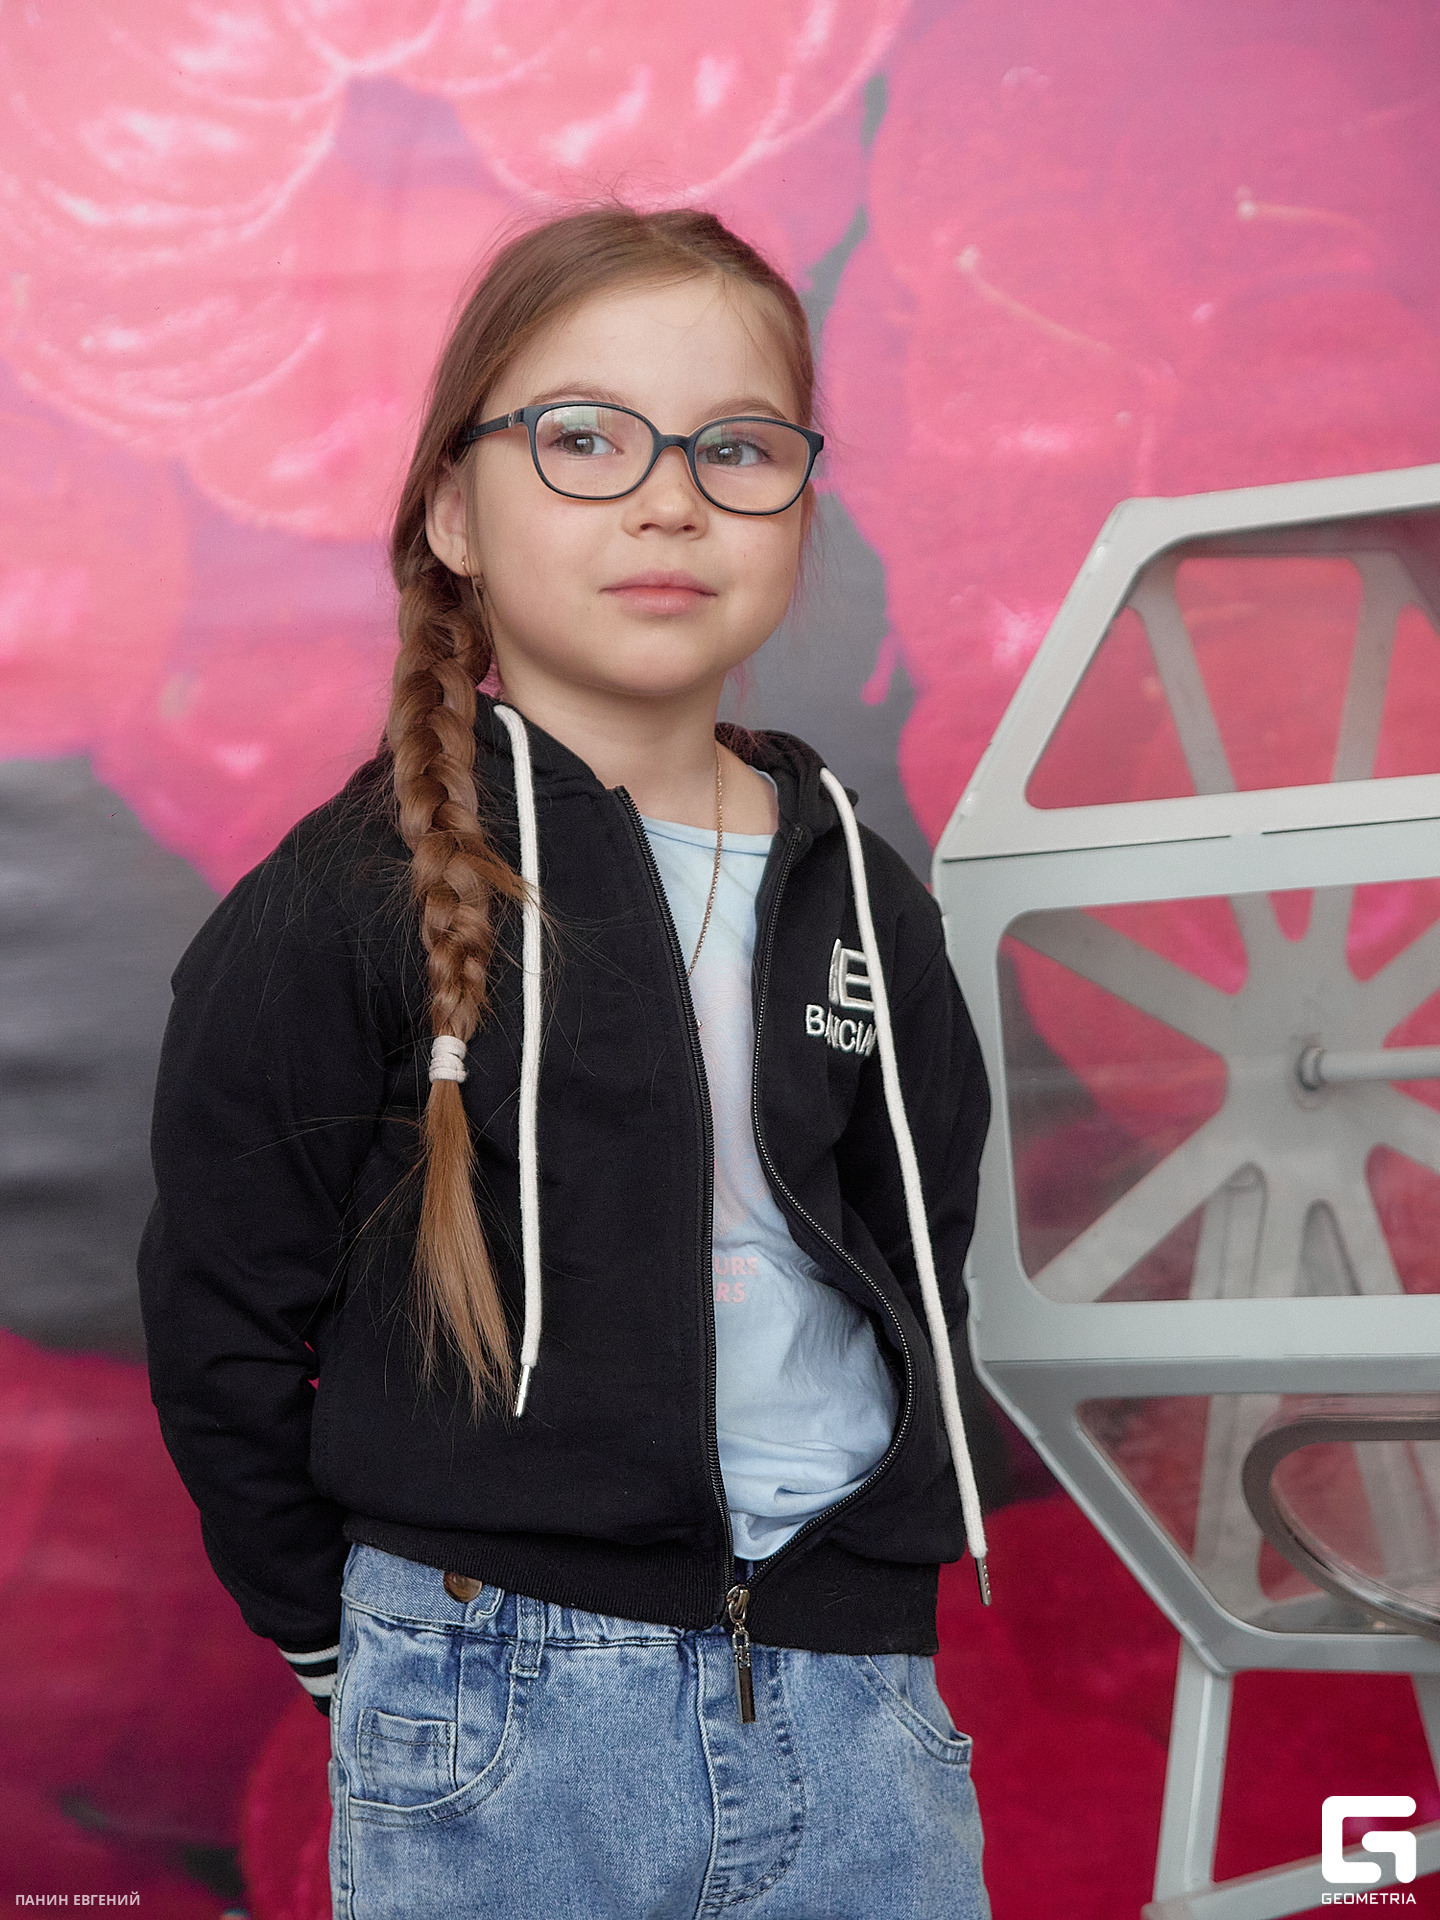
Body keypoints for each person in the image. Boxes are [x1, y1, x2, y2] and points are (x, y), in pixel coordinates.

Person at [138, 204, 1001, 1919]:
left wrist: (882, 1561)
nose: (669, 500)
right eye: (585, 440)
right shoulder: (351, 899)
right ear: (453, 512)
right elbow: (220, 1319)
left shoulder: (859, 883)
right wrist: (354, 1642)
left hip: (856, 1694)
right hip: (496, 1694)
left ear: (800, 506)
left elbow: (923, 1242)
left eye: (736, 448)